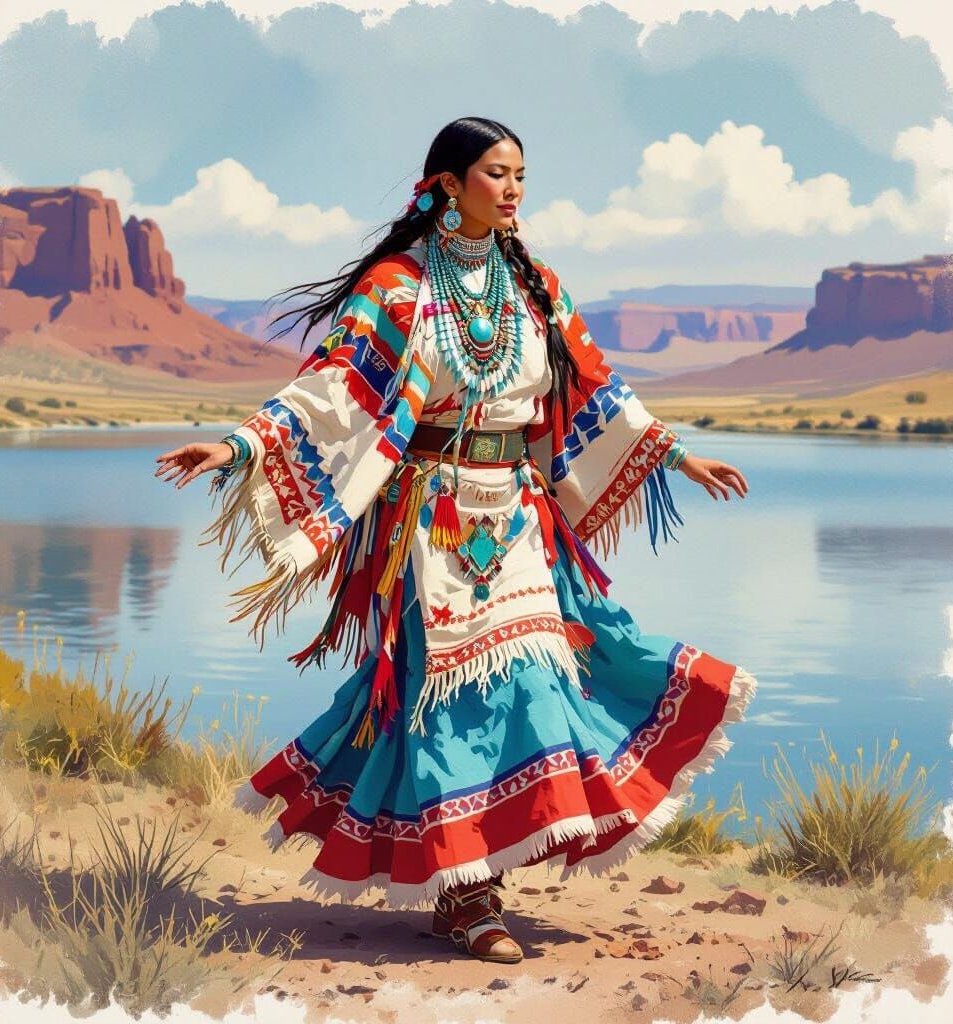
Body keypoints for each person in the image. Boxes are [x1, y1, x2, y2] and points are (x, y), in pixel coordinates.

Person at [155, 117, 755, 966]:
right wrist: (240, 445)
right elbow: (333, 383)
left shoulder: (536, 284)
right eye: (497, 174)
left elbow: (596, 383)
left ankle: (479, 880)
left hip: (517, 515)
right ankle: (469, 897)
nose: (513, 190)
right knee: (446, 699)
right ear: (446, 184)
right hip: (429, 520)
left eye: (521, 176)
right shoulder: (399, 287)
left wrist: (678, 456)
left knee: (540, 681)